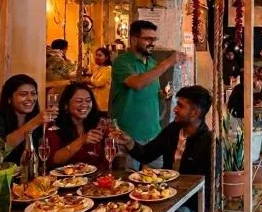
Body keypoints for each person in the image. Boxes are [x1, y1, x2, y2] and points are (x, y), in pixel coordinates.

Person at [119, 86, 213, 212]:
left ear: (195, 113)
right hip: (162, 199)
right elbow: (146, 154)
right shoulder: (173, 130)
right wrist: (129, 143)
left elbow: (208, 189)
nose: (175, 109)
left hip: (189, 209)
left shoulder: (209, 142)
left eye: (181, 106)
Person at [110, 20, 184, 169]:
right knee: (129, 179)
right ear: (133, 39)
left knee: (159, 180)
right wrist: (168, 63)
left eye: (154, 39)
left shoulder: (152, 63)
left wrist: (162, 95)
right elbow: (137, 84)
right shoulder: (122, 62)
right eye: (148, 39)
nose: (152, 43)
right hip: (128, 135)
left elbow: (149, 91)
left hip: (153, 134)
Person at [0, 74, 51, 164]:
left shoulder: (36, 119)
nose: (30, 98)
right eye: (23, 94)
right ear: (9, 98)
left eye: (33, 94)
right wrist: (34, 122)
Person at [47, 83, 106, 169]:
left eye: (88, 101)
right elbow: (54, 159)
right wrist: (81, 140)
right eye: (79, 101)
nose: (85, 105)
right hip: (65, 176)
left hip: (96, 175)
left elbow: (108, 156)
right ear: (66, 105)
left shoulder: (99, 123)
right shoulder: (55, 125)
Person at [88, 47, 112, 112]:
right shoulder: (96, 68)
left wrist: (87, 81)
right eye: (96, 55)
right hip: (95, 101)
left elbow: (99, 83)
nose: (97, 57)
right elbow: (93, 83)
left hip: (103, 102)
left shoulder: (108, 69)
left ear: (106, 57)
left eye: (100, 55)